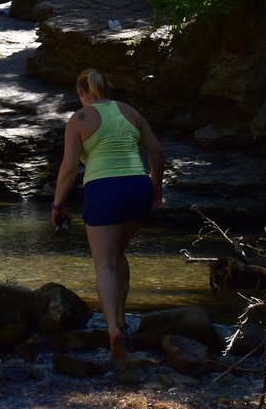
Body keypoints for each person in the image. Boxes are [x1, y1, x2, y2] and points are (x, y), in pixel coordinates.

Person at [52, 68, 165, 360]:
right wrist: (156, 188)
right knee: (117, 253)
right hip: (138, 187)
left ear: (82, 92)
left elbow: (68, 168)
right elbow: (156, 152)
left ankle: (113, 329)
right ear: (107, 88)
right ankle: (123, 318)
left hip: (104, 190)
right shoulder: (130, 112)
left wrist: (57, 205)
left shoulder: (80, 119)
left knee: (104, 264)